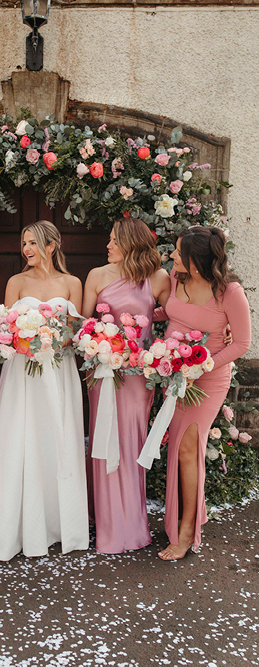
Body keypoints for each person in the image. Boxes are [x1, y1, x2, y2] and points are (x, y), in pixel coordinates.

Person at [0, 220, 88, 561]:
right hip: (22, 375)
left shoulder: (72, 283)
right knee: (21, 436)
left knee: (55, 437)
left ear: (51, 245)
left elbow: (75, 332)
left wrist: (50, 338)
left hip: (58, 369)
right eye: (23, 242)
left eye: (32, 243)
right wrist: (25, 338)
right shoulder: (16, 282)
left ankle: (60, 524)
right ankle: (16, 525)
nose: (26, 249)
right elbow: (4, 329)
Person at [154, 225, 250, 561]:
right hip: (175, 374)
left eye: (179, 252)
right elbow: (171, 312)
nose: (173, 256)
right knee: (177, 445)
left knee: (187, 448)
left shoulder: (229, 292)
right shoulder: (175, 279)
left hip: (207, 380)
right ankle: (183, 518)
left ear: (196, 261)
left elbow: (241, 343)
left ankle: (185, 533)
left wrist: (201, 368)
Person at [81, 217, 170, 554]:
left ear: (132, 242)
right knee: (103, 436)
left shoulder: (158, 278)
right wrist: (97, 341)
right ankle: (104, 523)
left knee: (130, 442)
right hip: (103, 372)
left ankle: (130, 524)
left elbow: (175, 313)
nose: (108, 245)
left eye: (114, 240)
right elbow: (85, 322)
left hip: (137, 375)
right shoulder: (97, 276)